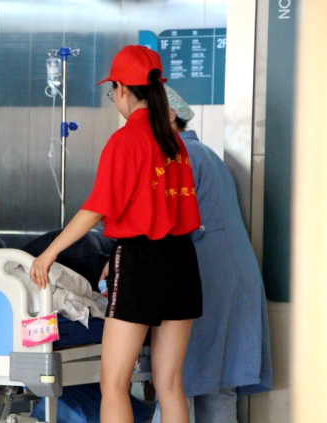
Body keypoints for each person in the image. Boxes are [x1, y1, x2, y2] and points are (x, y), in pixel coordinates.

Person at [30, 45, 203, 423]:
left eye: (112, 92)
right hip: (183, 261)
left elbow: (95, 209)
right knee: (170, 383)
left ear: (122, 89)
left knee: (114, 383)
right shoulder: (174, 142)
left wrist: (49, 253)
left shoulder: (126, 140)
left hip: (142, 262)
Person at [151, 87, 272, 423]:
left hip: (206, 280)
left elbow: (163, 225)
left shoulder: (178, 157)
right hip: (233, 277)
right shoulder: (206, 155)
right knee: (218, 387)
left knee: (177, 382)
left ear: (170, 116)